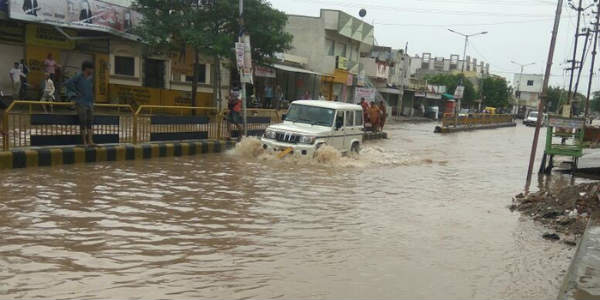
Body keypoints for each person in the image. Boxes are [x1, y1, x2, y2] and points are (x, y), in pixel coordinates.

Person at [65, 61, 95, 146]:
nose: (92, 71)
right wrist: (76, 92)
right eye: (91, 69)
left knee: (90, 122)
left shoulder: (90, 78)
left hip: (89, 103)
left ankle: (90, 141)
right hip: (81, 102)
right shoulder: (78, 76)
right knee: (83, 122)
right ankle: (84, 142)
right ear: (87, 69)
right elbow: (67, 83)